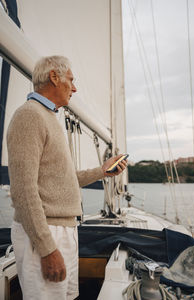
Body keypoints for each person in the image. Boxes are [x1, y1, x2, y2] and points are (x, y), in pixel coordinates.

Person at [7, 55, 127, 300]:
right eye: (71, 80)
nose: (74, 88)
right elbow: (23, 191)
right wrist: (47, 249)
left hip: (64, 230)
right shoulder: (29, 116)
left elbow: (62, 181)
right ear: (54, 76)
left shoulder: (48, 117)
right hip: (46, 233)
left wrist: (102, 171)